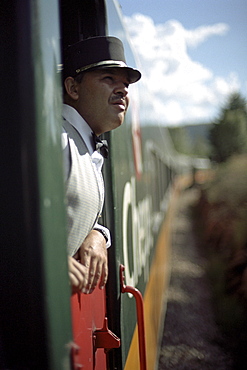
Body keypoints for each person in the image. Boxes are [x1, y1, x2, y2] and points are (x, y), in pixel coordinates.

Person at [61, 36, 141, 294]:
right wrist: (45, 259)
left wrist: (97, 234)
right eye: (108, 79)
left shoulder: (82, 142)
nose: (123, 90)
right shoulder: (56, 140)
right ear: (73, 88)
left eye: (126, 84)